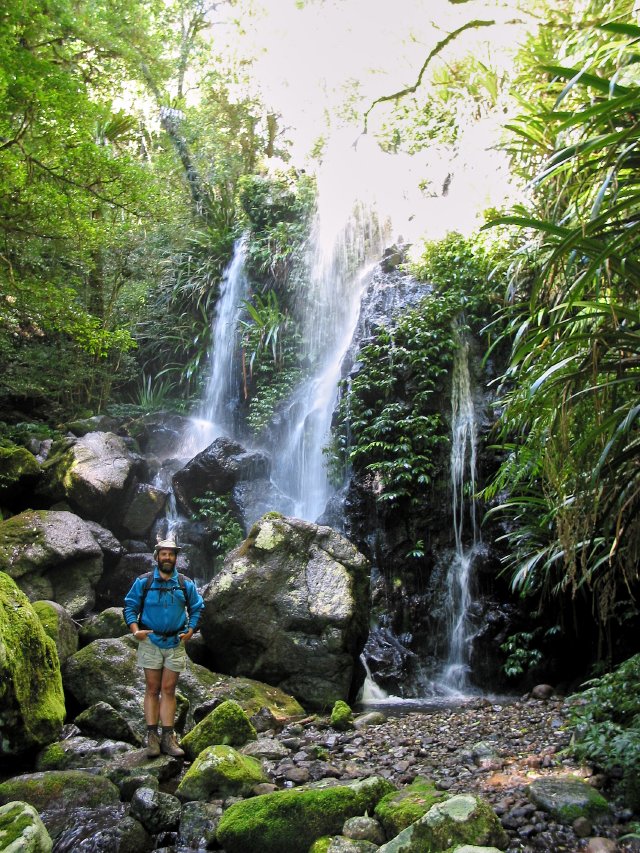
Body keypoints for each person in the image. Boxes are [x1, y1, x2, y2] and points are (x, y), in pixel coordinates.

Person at [123, 537, 204, 758]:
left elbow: (197, 607)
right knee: (151, 688)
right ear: (157, 557)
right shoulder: (144, 582)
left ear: (176, 558)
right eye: (164, 554)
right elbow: (130, 605)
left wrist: (191, 630)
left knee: (169, 689)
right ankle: (152, 737)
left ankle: (168, 737)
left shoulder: (185, 583)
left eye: (171, 554)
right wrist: (134, 630)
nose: (167, 557)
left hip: (176, 642)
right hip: (150, 641)